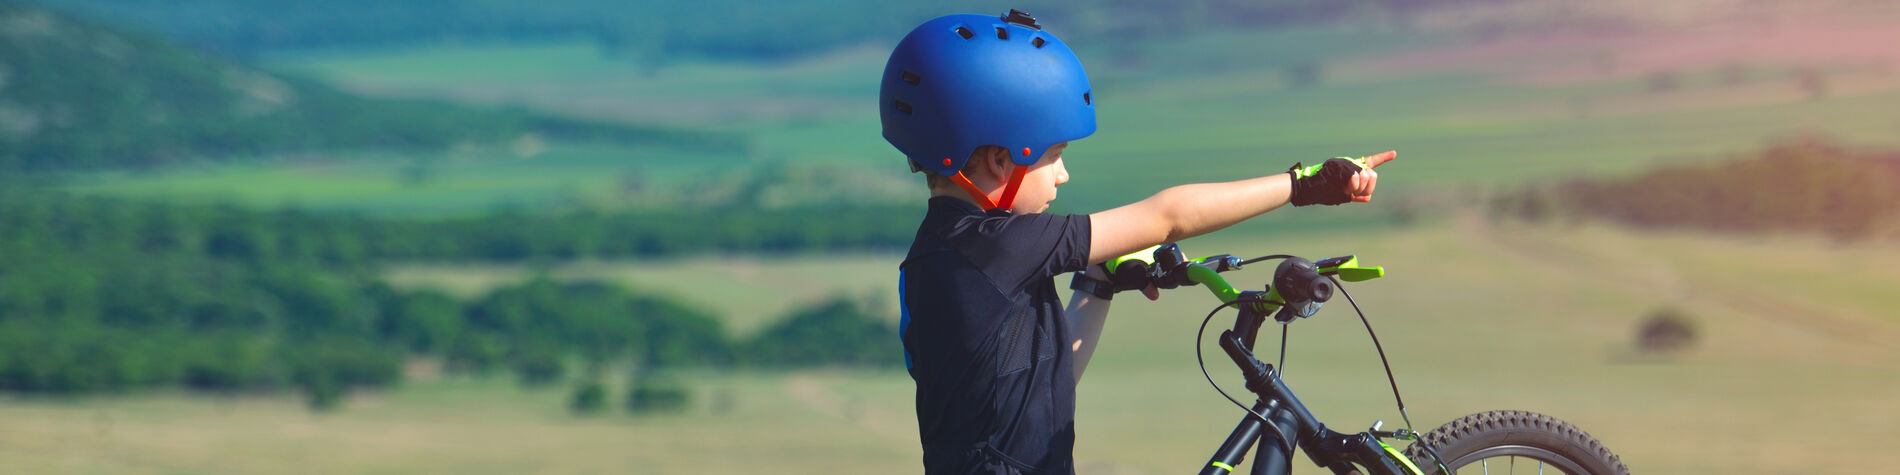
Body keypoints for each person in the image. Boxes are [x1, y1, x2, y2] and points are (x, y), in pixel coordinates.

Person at [883, 10, 1394, 474]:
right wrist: (1303, 185)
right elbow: (1169, 218)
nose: (1062, 174)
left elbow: (1039, 392)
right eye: (1053, 154)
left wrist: (1097, 285)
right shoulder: (998, 246)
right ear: (1000, 159)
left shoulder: (935, 260)